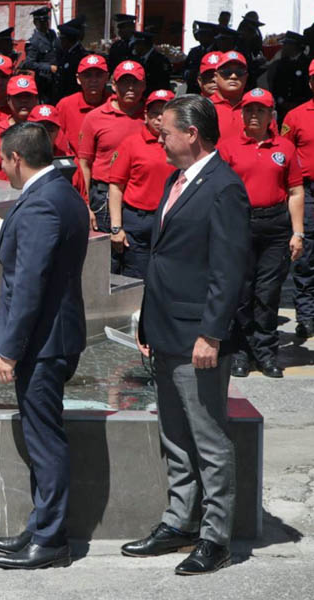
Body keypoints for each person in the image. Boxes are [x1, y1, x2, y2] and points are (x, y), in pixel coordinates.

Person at [125, 94, 250, 576]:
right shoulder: (178, 181)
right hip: (165, 329)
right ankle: (179, 521)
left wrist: (212, 335)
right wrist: (145, 323)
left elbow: (228, 269)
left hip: (197, 336)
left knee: (208, 437)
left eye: (167, 131)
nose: (160, 137)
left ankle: (215, 537)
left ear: (192, 133)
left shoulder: (223, 188)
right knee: (174, 435)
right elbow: (165, 259)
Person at [0, 122, 89, 570]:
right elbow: (39, 252)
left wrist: (9, 349)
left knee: (44, 442)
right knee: (41, 437)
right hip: (52, 338)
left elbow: (30, 282)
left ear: (17, 159)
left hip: (45, 343)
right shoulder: (58, 194)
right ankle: (39, 524)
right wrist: (5, 230)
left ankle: (51, 539)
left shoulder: (44, 202)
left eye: (3, 159)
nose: (1, 167)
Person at [220, 88, 305, 378]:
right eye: (249, 110)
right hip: (239, 224)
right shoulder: (227, 147)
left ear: (271, 115)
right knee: (241, 291)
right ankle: (240, 352)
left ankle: (266, 353)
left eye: (260, 110)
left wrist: (298, 232)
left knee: (268, 292)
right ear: (242, 114)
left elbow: (295, 191)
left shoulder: (285, 148)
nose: (253, 115)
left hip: (275, 226)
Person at [107, 89, 175, 278]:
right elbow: (116, 187)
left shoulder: (183, 144)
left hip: (171, 220)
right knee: (137, 279)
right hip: (139, 221)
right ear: (145, 115)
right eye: (155, 113)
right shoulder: (131, 144)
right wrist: (116, 228)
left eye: (166, 113)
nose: (160, 118)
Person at [78, 60, 147, 232]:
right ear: (114, 85)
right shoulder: (95, 118)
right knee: (106, 255)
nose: (130, 87)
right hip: (104, 198)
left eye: (135, 82)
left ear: (144, 85)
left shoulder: (153, 117)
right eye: (124, 82)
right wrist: (85, 204)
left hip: (143, 199)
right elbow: (84, 164)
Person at [282, 58, 314, 338]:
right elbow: (285, 156)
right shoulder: (295, 117)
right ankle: (307, 316)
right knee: (307, 256)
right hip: (309, 191)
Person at [55, 54, 109, 164]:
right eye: (87, 75)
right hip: (76, 170)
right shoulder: (65, 105)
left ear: (107, 78)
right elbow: (58, 142)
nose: (93, 80)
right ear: (78, 79)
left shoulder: (114, 104)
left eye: (98, 75)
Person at [270, 32, 312, 122]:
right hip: (282, 109)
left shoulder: (308, 64)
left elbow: (309, 88)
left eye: (286, 44)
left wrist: (297, 104)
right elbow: (276, 85)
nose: (283, 47)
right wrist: (282, 102)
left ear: (294, 46)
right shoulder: (282, 63)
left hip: (301, 108)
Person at [23, 7, 59, 103]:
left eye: (46, 21)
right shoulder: (34, 41)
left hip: (56, 79)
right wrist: (49, 67)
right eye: (41, 22)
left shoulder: (52, 34)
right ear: (35, 23)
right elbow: (29, 63)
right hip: (44, 81)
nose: (45, 24)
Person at [210, 51, 249, 140]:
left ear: (246, 77)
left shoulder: (257, 107)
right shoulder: (204, 108)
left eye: (239, 72)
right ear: (215, 77)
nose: (233, 76)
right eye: (227, 72)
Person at [55, 16, 88, 103]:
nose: (60, 43)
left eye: (62, 40)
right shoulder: (67, 53)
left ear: (67, 41)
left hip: (72, 97)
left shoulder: (77, 55)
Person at [184, 22, 217, 94]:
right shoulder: (194, 51)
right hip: (194, 88)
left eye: (203, 34)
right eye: (199, 34)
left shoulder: (217, 51)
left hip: (210, 88)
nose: (200, 37)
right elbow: (186, 68)